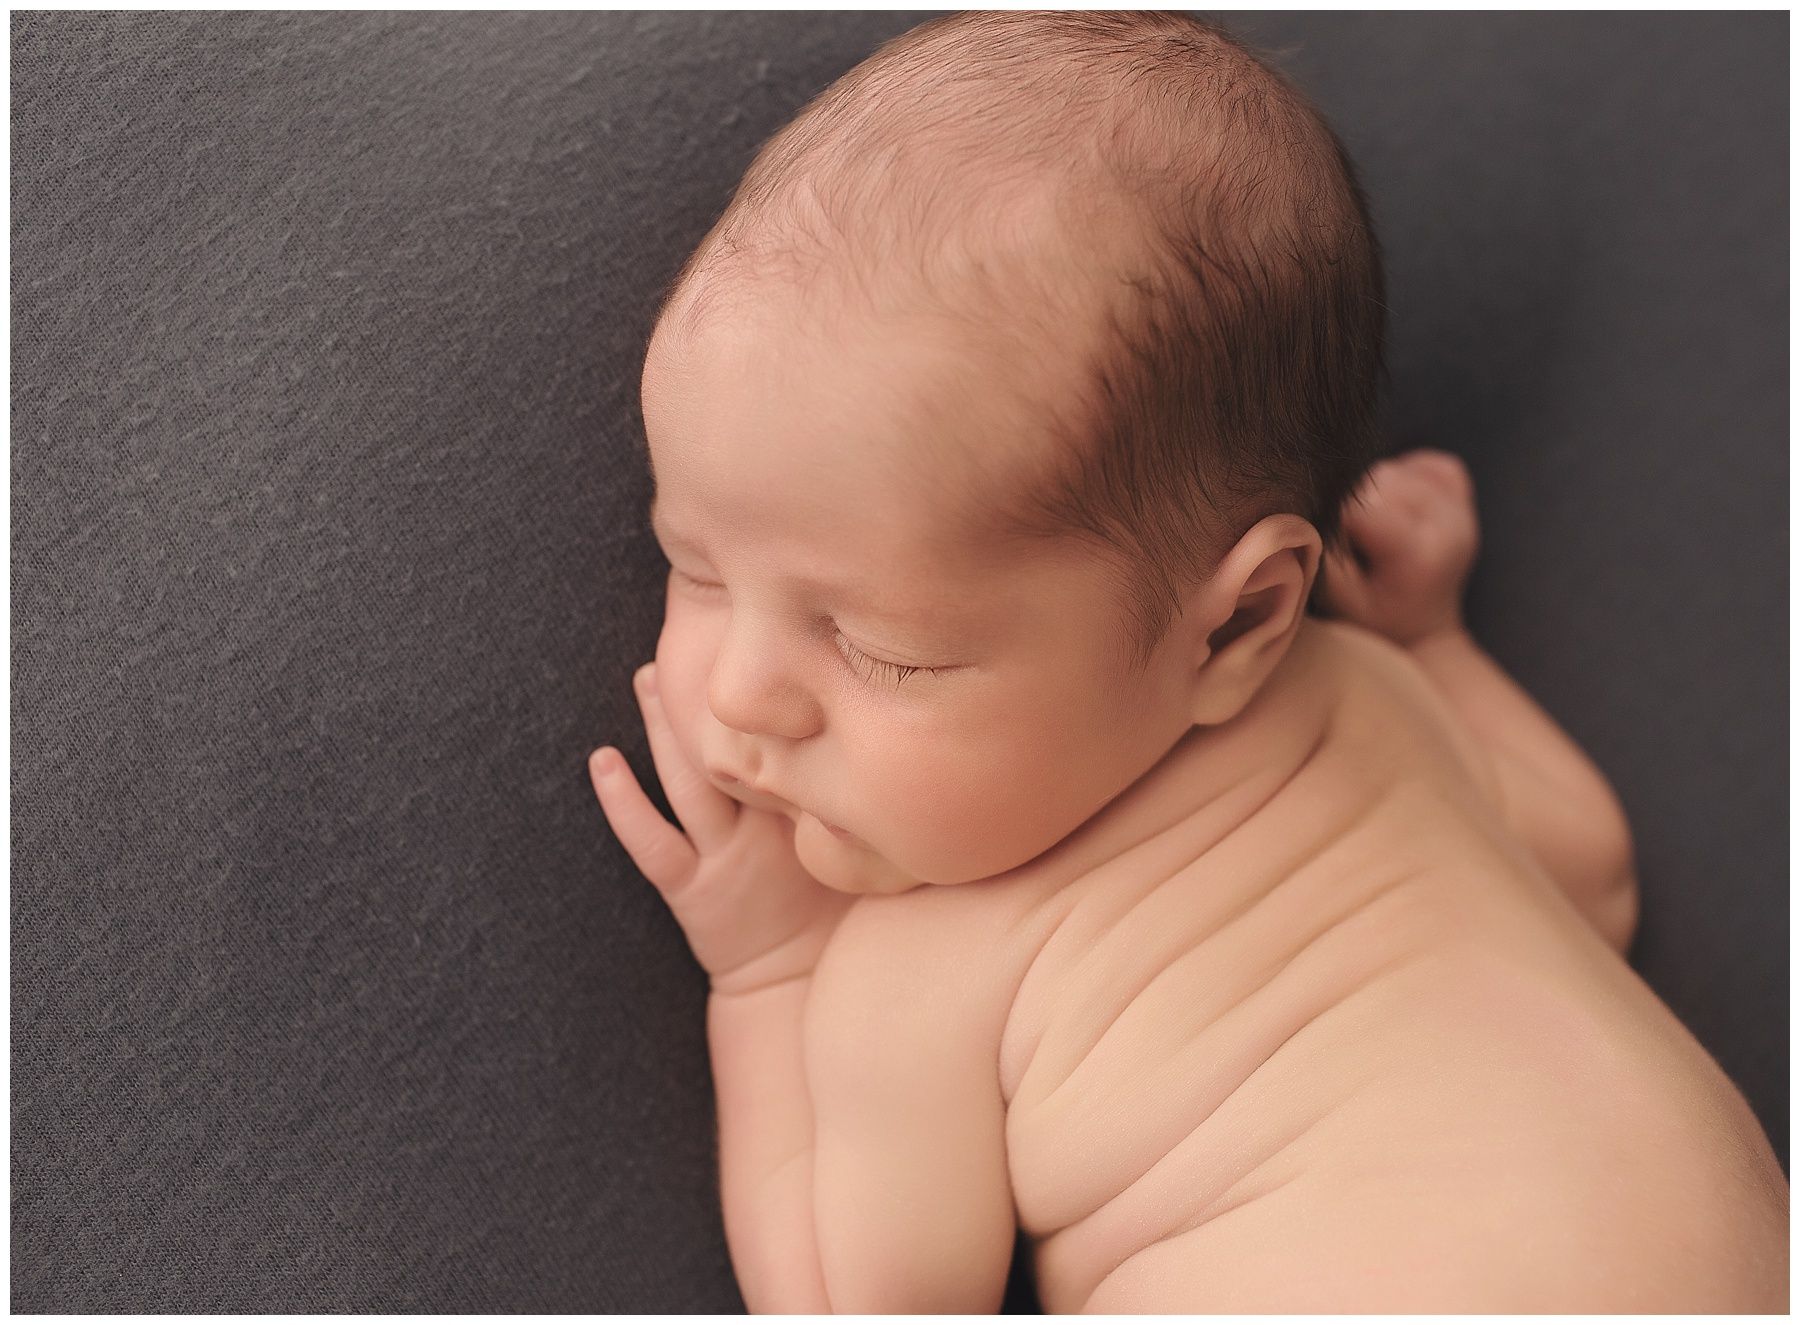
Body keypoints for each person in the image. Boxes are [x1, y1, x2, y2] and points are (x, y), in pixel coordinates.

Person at [589, 12, 1787, 1311]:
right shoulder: (1371, 699)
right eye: (696, 565)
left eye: (886, 651)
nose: (737, 693)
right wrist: (1435, 641)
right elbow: (1595, 881)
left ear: (1235, 623)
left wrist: (768, 971)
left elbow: (848, 1302)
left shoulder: (919, 970)